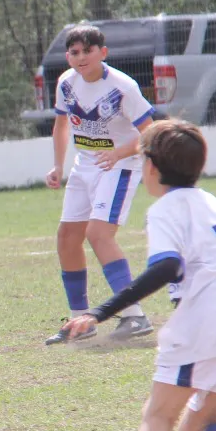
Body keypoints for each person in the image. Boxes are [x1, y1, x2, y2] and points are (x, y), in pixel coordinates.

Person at [61, 119, 216, 431]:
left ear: (149, 167)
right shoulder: (210, 202)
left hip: (203, 319)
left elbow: (168, 267)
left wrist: (101, 311)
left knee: (158, 417)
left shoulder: (166, 210)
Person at [44, 23, 155, 345]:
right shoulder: (66, 82)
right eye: (74, 52)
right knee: (67, 237)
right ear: (68, 56)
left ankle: (134, 315)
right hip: (85, 165)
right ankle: (81, 320)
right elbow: (61, 124)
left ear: (102, 53)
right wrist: (57, 165)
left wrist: (120, 152)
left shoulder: (122, 87)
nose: (81, 58)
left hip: (120, 165)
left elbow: (151, 132)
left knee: (98, 234)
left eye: (88, 51)